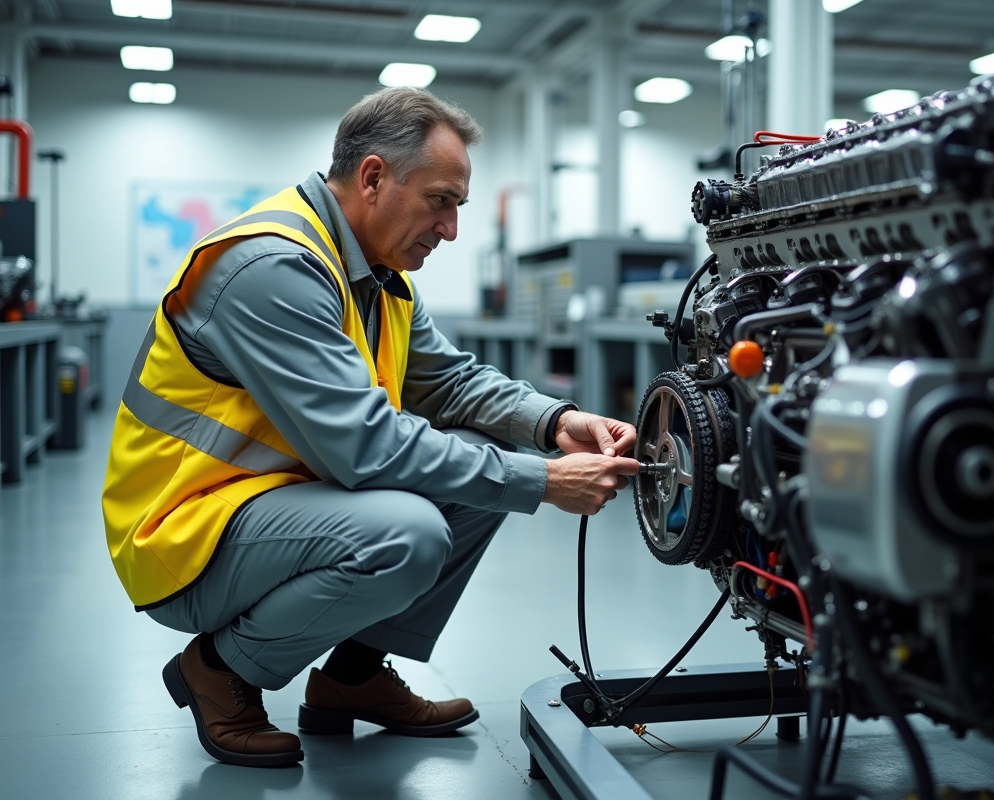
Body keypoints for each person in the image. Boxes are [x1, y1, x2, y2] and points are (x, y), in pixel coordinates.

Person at [101, 87, 642, 767]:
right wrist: (545, 481)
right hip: (187, 531)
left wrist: (557, 422)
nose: (450, 229)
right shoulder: (273, 268)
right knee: (408, 535)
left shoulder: (379, 275)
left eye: (458, 206)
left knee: (487, 455)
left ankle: (352, 678)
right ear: (374, 177)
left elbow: (450, 380)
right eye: (441, 200)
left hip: (274, 504)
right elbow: (365, 449)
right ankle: (219, 669)